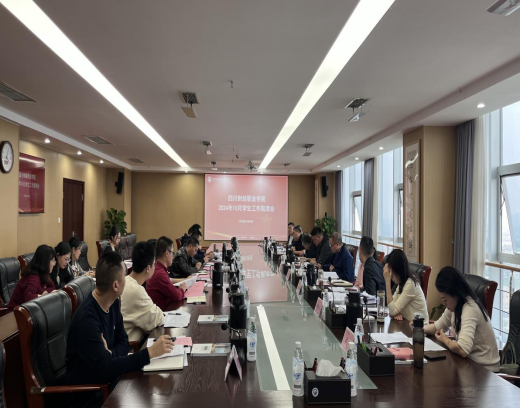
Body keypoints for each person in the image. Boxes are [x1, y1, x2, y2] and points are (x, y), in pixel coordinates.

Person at [66, 252, 174, 408]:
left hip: (110, 379)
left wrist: (110, 354)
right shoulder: (87, 321)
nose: (128, 277)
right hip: (93, 394)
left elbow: (123, 342)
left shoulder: (113, 302)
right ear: (115, 285)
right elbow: (107, 369)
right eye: (125, 275)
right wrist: (149, 353)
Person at [421, 267, 500, 372]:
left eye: (445, 299)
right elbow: (437, 327)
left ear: (456, 294)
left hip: (485, 371)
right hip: (469, 364)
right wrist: (419, 327)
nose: (444, 303)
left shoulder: (470, 308)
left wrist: (445, 339)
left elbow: (462, 350)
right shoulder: (455, 305)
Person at [120, 242, 164, 344]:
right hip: (131, 347)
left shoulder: (126, 281)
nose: (155, 267)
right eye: (154, 264)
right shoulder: (136, 290)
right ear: (148, 268)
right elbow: (159, 318)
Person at [383, 249, 428, 322]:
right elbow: (392, 307)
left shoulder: (410, 284)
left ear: (399, 270)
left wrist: (387, 281)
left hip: (420, 327)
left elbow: (392, 310)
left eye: (392, 273)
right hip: (407, 324)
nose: (391, 277)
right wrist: (396, 312)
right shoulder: (401, 283)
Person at [7, 245, 56, 310]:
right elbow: (28, 297)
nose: (54, 264)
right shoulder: (33, 277)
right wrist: (42, 296)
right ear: (45, 262)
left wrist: (45, 292)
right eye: (52, 260)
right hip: (14, 313)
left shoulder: (43, 274)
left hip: (28, 311)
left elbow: (52, 287)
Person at [146, 236, 187, 311]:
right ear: (167, 253)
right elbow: (177, 296)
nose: (173, 256)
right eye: (172, 253)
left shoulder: (158, 268)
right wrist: (182, 289)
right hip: (163, 312)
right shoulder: (160, 273)